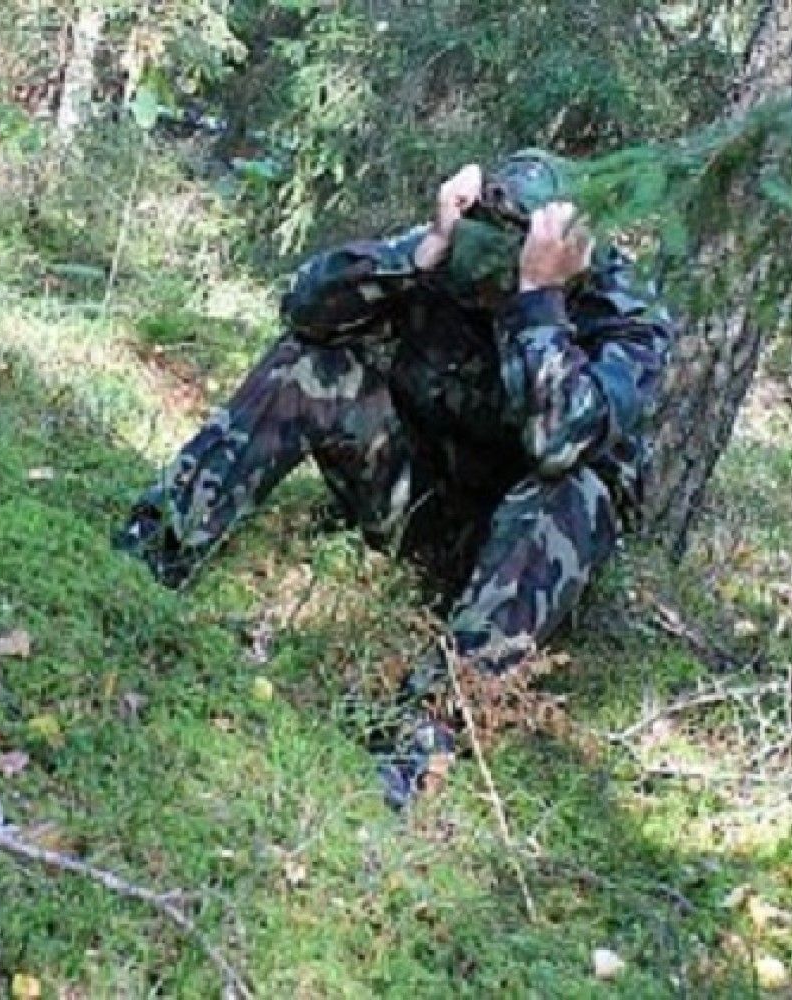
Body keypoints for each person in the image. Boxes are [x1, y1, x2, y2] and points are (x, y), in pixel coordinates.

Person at [115, 150, 678, 807]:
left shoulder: (627, 320)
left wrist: (538, 303)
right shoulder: (459, 248)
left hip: (519, 567)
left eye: (497, 281)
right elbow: (302, 309)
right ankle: (154, 554)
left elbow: (557, 441)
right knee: (309, 365)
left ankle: (421, 735)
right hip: (417, 505)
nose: (482, 296)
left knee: (576, 487)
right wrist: (427, 251)